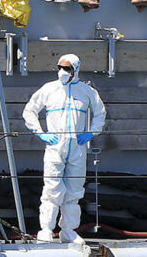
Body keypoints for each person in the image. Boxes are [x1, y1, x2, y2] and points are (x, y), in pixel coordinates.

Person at [22, 54, 106, 244]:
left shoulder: (87, 91)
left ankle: (68, 230)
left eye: (67, 68)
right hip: (54, 147)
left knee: (74, 190)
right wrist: (39, 132)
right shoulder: (49, 89)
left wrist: (92, 132)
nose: (62, 72)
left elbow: (100, 113)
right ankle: (46, 230)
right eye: (60, 67)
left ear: (75, 69)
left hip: (77, 147)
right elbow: (30, 110)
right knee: (52, 189)